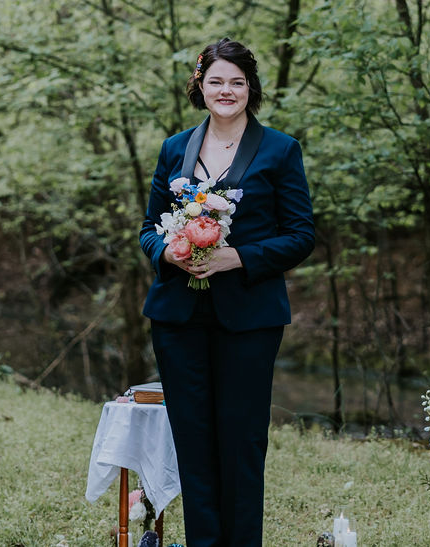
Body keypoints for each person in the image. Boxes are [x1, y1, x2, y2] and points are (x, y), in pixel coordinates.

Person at [139, 39, 315, 546]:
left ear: (250, 88)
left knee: (240, 445)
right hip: (177, 318)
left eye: (237, 81)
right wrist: (166, 253)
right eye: (216, 80)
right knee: (193, 445)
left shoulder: (281, 149)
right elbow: (149, 228)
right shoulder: (176, 148)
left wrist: (236, 257)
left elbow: (302, 234)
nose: (227, 90)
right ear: (200, 85)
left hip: (249, 320)